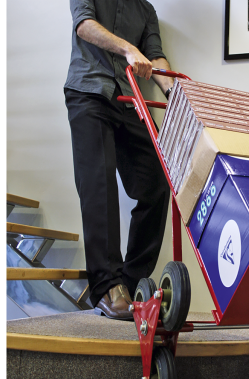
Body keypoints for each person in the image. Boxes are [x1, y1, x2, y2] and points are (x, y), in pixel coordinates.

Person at [64, 0, 174, 320]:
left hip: (129, 101)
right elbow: (84, 24)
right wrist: (127, 48)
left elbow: (154, 55)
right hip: (88, 92)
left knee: (156, 182)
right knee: (99, 184)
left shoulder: (146, 10)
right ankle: (106, 286)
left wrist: (176, 92)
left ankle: (129, 281)